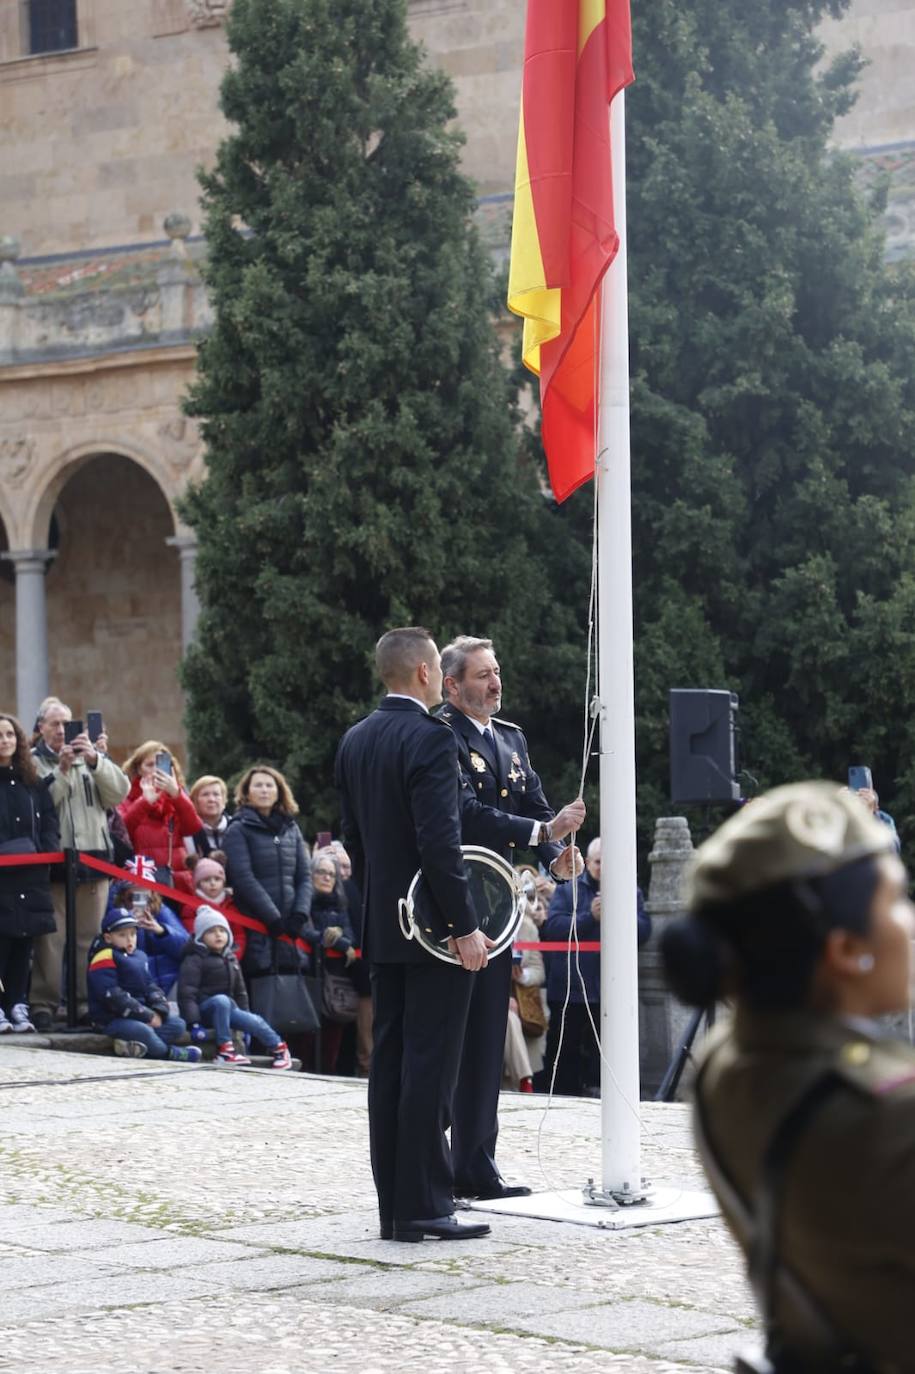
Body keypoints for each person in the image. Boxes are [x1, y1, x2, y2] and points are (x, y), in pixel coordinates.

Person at [661, 781, 915, 1372]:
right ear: (848, 949)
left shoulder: (729, 1062)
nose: (909, 920)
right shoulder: (886, 1114)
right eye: (898, 900)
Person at [335, 626, 492, 1243]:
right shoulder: (431, 737)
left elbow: (354, 841)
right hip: (431, 933)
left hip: (384, 925)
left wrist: (380, 909)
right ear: (427, 674)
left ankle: (394, 1207)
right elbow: (440, 843)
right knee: (431, 1066)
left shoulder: (355, 739)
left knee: (392, 1067)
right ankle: (425, 1205)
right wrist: (463, 926)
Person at [438, 635, 585, 1199]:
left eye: (497, 672)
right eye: (482, 675)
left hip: (498, 904)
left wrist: (557, 855)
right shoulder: (439, 734)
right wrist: (540, 834)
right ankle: (435, 1158)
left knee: (485, 1037)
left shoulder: (512, 739)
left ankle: (476, 1162)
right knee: (449, 1034)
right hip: (451, 903)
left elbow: (537, 809)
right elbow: (465, 814)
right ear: (452, 685)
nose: (495, 683)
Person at [31, 696, 130, 1029]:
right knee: (50, 939)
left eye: (67, 724)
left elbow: (118, 794)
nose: (61, 730)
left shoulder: (92, 759)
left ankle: (85, 1003)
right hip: (53, 862)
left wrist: (97, 760)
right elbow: (40, 805)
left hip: (94, 861)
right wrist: (60, 771)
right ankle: (44, 1004)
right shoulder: (32, 762)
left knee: (87, 937)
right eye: (55, 724)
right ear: (41, 727)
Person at [535, 837, 650, 1096]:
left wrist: (620, 914)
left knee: (610, 1050)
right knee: (566, 1050)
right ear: (587, 863)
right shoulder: (568, 889)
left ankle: (611, 1095)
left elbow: (644, 931)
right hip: (571, 988)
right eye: (598, 862)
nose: (603, 867)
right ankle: (563, 1099)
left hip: (612, 989)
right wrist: (591, 917)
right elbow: (553, 929)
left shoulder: (629, 890)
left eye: (608, 862)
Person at [221, 765, 314, 986]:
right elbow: (243, 877)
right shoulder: (238, 829)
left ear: (278, 791)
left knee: (296, 1006)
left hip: (293, 928)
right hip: (258, 927)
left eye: (269, 785)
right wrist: (272, 918)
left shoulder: (292, 828)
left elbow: (305, 876)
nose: (264, 790)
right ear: (247, 792)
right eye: (258, 785)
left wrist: (300, 915)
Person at [0, 714, 59, 1034]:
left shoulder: (31, 780)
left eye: (10, 734)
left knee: (25, 940)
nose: (5, 740)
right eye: (0, 735)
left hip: (30, 870)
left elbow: (49, 818)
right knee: (3, 940)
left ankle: (17, 1003)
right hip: (2, 874)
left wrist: (47, 850)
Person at [177, 906, 292, 1069]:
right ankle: (225, 1051)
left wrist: (245, 1019)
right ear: (201, 938)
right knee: (221, 1001)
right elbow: (187, 993)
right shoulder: (194, 959)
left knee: (255, 1021)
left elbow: (240, 991)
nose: (218, 935)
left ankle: (279, 1048)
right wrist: (194, 1023)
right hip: (205, 1011)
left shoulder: (231, 958)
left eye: (222, 931)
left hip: (227, 1009)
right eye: (211, 931)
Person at [86, 908, 201, 1062]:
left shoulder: (139, 956)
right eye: (122, 935)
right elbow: (112, 995)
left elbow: (150, 986)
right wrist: (146, 1015)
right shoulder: (104, 957)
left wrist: (159, 1009)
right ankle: (169, 1053)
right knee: (143, 1030)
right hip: (111, 1019)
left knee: (177, 1024)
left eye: (133, 934)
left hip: (141, 1015)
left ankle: (132, 1047)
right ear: (108, 937)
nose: (129, 940)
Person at [310, 852, 365, 1073]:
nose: (327, 878)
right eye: (321, 872)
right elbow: (307, 931)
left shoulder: (340, 903)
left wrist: (337, 939)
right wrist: (332, 938)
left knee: (334, 1034)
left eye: (331, 874)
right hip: (311, 972)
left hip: (336, 978)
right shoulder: (306, 900)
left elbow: (350, 936)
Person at [119, 742, 202, 877]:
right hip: (142, 878)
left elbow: (193, 828)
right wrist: (144, 803)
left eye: (161, 764)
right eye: (150, 765)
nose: (156, 769)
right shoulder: (126, 798)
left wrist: (177, 795)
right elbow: (122, 831)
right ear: (138, 770)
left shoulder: (177, 796)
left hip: (177, 877)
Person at [108, 861, 189, 998]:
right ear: (124, 894)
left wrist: (162, 932)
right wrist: (132, 927)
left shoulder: (161, 911)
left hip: (170, 985)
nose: (140, 898)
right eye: (134, 894)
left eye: (144, 892)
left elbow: (187, 948)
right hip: (133, 989)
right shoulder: (114, 914)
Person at [183, 852, 249, 961]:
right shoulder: (191, 908)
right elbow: (192, 936)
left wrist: (234, 956)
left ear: (223, 882)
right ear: (198, 884)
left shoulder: (231, 905)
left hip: (230, 960)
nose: (213, 883)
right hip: (204, 961)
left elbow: (239, 936)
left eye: (217, 879)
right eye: (206, 880)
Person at [185, 775, 230, 858]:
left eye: (216, 794)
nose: (211, 799)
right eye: (205, 795)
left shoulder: (236, 827)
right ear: (194, 801)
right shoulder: (187, 833)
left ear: (224, 800)